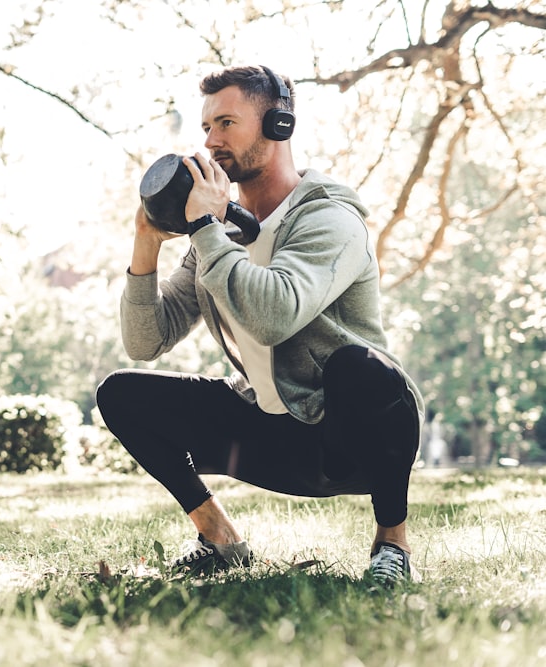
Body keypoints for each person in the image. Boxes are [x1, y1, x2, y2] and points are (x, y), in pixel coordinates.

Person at [95, 65, 424, 584]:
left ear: (279, 126)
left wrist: (205, 228)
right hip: (272, 437)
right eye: (206, 128)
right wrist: (146, 245)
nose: (210, 142)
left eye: (226, 123)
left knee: (362, 368)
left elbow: (273, 317)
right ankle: (218, 536)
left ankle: (392, 544)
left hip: (349, 440)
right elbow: (145, 341)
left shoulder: (330, 219)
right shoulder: (218, 229)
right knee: (121, 393)